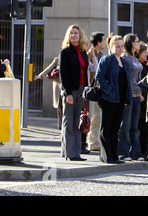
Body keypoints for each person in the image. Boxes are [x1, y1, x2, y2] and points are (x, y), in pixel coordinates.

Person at [96, 35, 132, 164]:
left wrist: (127, 97)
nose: (120, 49)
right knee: (106, 128)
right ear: (111, 47)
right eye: (117, 46)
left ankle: (114, 155)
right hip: (108, 99)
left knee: (115, 128)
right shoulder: (106, 60)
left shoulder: (124, 62)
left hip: (120, 100)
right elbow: (99, 77)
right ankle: (107, 156)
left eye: (122, 46)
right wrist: (109, 90)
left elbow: (126, 81)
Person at [59, 24, 89, 161]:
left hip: (82, 89)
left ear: (80, 35)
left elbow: (86, 71)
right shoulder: (65, 52)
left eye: (76, 33)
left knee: (77, 122)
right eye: (71, 33)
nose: (74, 35)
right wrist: (68, 93)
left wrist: (87, 89)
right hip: (70, 90)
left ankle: (76, 152)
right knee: (68, 122)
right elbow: (63, 74)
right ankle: (69, 153)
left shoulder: (83, 51)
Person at [119, 33, 144, 161]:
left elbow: (137, 77)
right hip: (128, 95)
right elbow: (124, 78)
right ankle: (123, 152)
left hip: (136, 94)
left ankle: (135, 152)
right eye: (136, 41)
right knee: (125, 126)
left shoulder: (134, 57)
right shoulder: (125, 58)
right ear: (131, 43)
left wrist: (140, 92)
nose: (139, 44)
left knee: (135, 126)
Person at [86, 32, 105, 152]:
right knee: (92, 116)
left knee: (97, 117)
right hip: (91, 89)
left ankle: (95, 141)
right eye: (102, 40)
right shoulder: (90, 54)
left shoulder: (101, 54)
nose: (104, 43)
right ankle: (92, 142)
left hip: (98, 89)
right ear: (98, 42)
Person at [34, 56, 62, 129]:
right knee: (59, 106)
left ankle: (65, 126)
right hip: (58, 85)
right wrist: (40, 76)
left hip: (68, 86)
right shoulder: (57, 59)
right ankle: (60, 125)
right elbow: (49, 68)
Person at [137, 42, 148, 157]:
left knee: (145, 126)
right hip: (140, 97)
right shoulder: (138, 65)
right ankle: (140, 150)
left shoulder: (146, 64)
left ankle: (145, 149)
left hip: (146, 98)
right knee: (140, 125)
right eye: (144, 52)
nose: (146, 54)